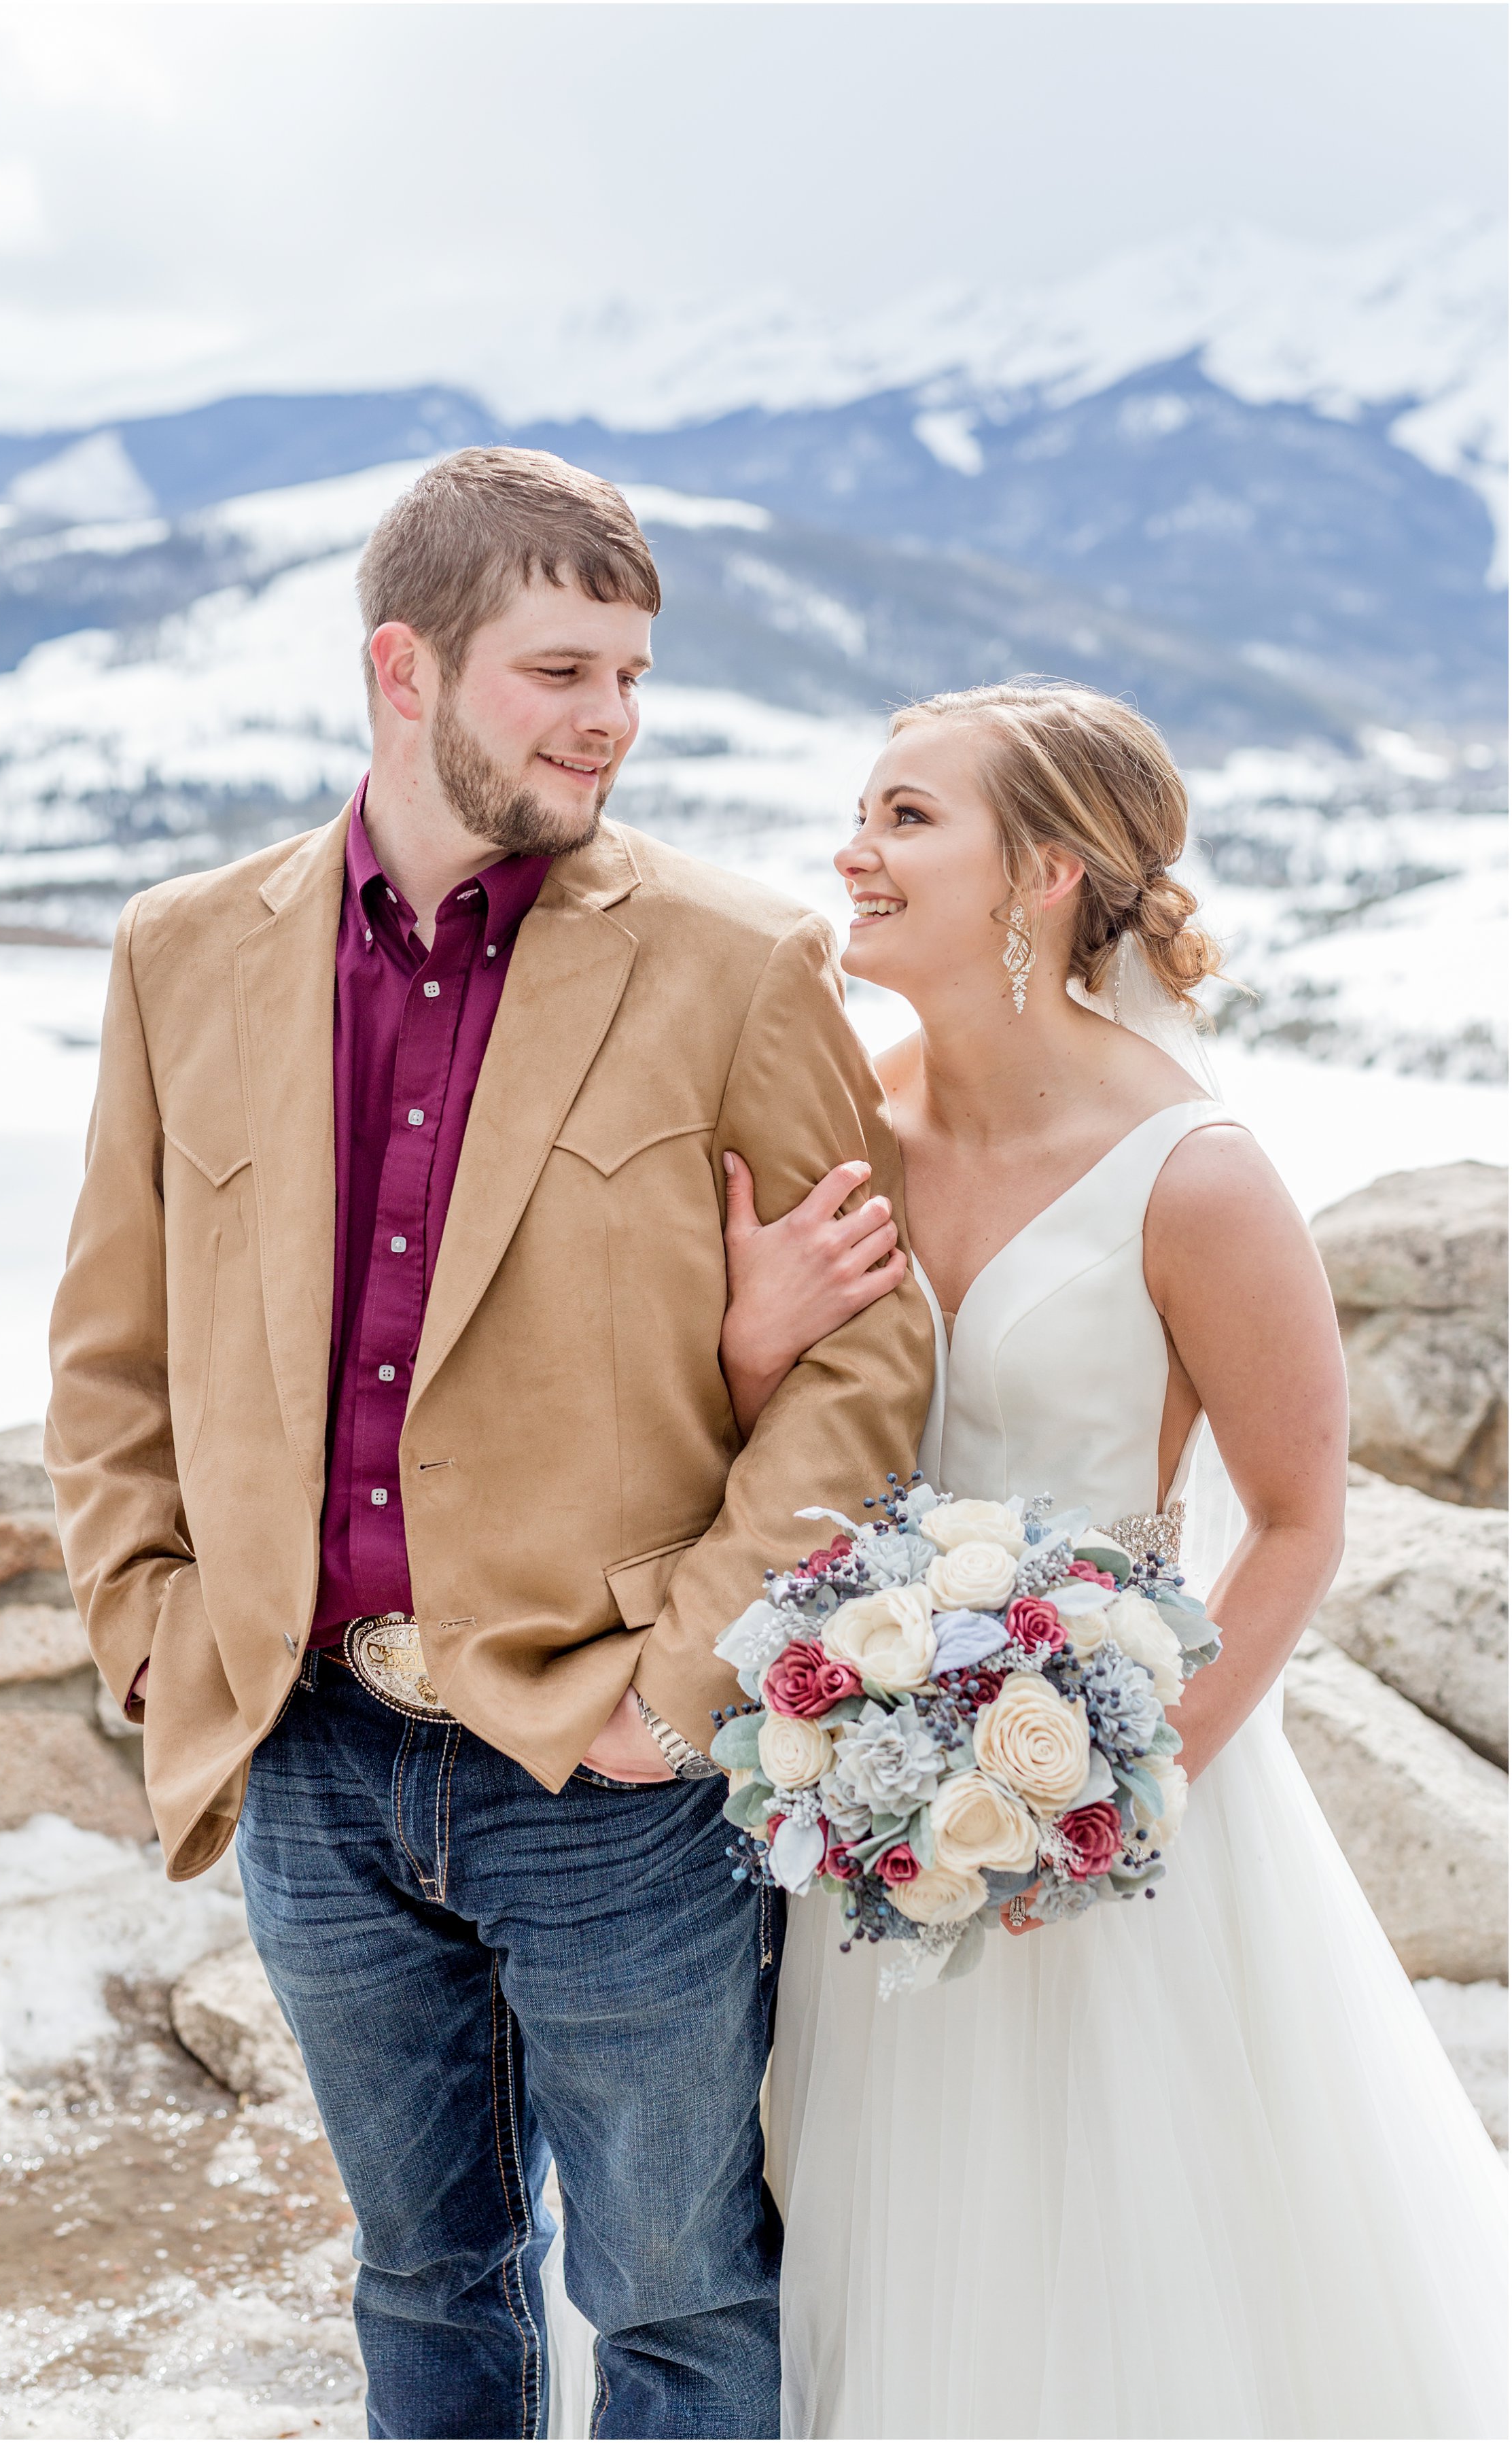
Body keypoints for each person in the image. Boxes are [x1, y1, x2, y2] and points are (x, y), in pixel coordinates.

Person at [45, 447, 935, 2442]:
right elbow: (113, 1350)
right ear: (404, 666)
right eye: (559, 670)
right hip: (314, 1754)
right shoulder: (180, 950)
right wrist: (156, 1635)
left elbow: (869, 1367)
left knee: (682, 2290)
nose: (610, 716)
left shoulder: (735, 962)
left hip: (614, 1771)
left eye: (630, 671)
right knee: (420, 2276)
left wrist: (683, 1678)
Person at [718, 682, 1508, 2440]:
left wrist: (1116, 1781)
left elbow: (1302, 1517)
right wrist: (755, 1351)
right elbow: (771, 1432)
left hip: (1126, 1810)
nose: (855, 847)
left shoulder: (1197, 1173)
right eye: (864, 806)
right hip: (862, 1795)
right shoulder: (846, 1117)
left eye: (909, 816)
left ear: (1047, 873)